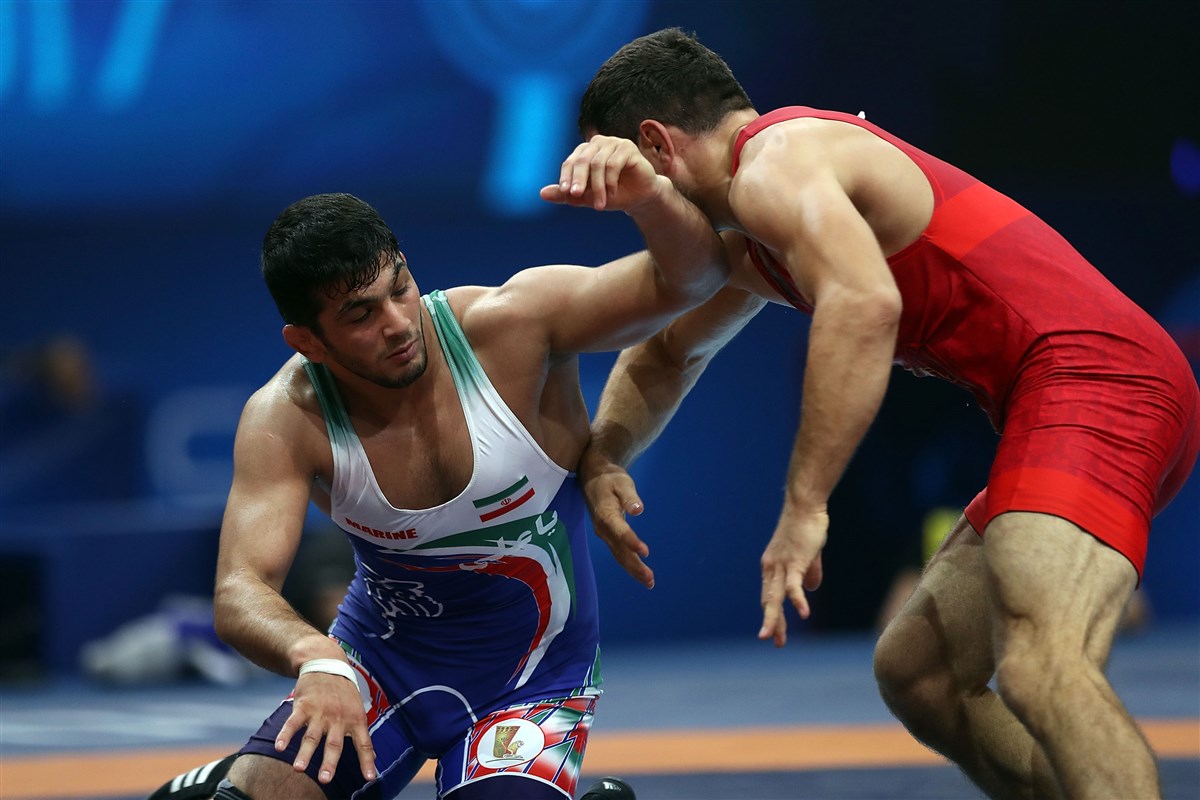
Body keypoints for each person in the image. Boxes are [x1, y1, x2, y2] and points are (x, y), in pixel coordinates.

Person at [570, 27, 1200, 800]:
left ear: (656, 146)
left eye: (630, 182)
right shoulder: (759, 230)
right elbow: (667, 352)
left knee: (1041, 666)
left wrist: (804, 506)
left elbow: (865, 304)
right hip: (1068, 394)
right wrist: (604, 458)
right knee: (920, 674)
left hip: (1099, 380)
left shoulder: (776, 163)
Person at [147, 135, 725, 800]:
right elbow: (239, 591)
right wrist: (317, 657)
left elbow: (696, 278)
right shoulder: (287, 416)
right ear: (307, 341)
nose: (398, 324)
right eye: (360, 315)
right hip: (375, 663)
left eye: (400, 288)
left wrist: (652, 198)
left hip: (532, 678)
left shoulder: (513, 324)